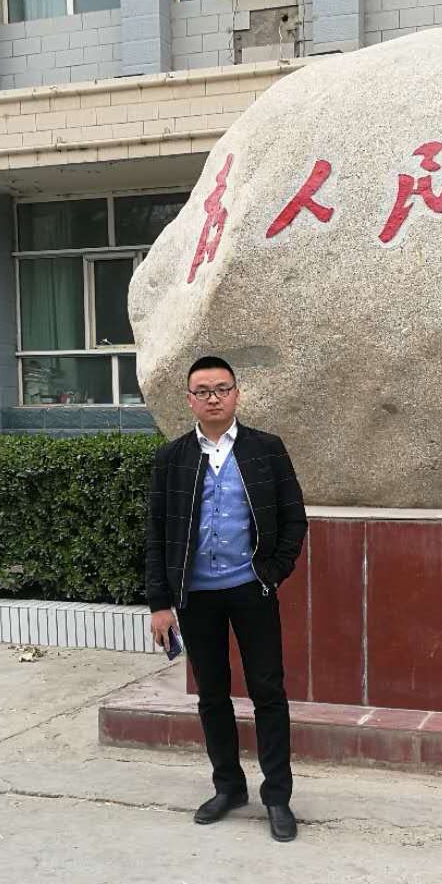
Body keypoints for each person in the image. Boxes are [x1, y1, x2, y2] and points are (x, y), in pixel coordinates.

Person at [145, 355, 308, 842]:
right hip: (196, 596)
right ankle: (229, 787)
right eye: (203, 391)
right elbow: (157, 533)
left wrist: (272, 574)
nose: (213, 398)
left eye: (222, 389)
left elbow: (294, 518)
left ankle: (277, 797)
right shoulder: (172, 458)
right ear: (190, 400)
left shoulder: (265, 449)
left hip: (251, 590)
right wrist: (159, 603)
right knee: (212, 695)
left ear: (236, 394)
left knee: (268, 692)